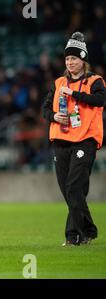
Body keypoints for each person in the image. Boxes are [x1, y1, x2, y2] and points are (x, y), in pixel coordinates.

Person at [42, 32, 106, 246]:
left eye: (74, 59)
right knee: (69, 191)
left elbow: (100, 100)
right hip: (61, 139)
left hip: (85, 140)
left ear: (83, 60)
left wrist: (75, 94)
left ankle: (74, 236)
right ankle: (86, 230)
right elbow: (44, 108)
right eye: (67, 59)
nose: (70, 62)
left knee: (73, 188)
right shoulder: (59, 82)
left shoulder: (95, 81)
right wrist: (54, 116)